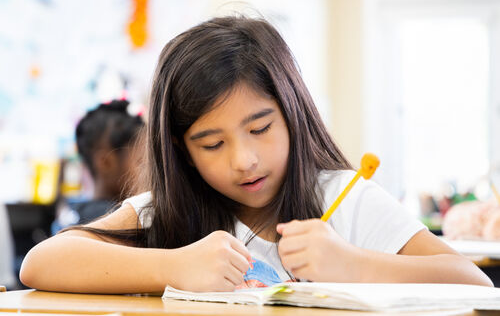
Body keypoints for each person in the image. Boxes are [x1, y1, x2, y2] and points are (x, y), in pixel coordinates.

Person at [19, 16, 493, 294]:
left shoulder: (342, 198)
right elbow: (41, 262)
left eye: (261, 128)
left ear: (293, 114)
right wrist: (173, 265)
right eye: (212, 143)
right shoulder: (169, 211)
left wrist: (351, 265)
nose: (243, 159)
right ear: (181, 151)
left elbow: (471, 282)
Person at [70, 99, 144, 224]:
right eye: (141, 163)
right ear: (106, 163)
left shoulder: (79, 216)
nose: (151, 174)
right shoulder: (119, 223)